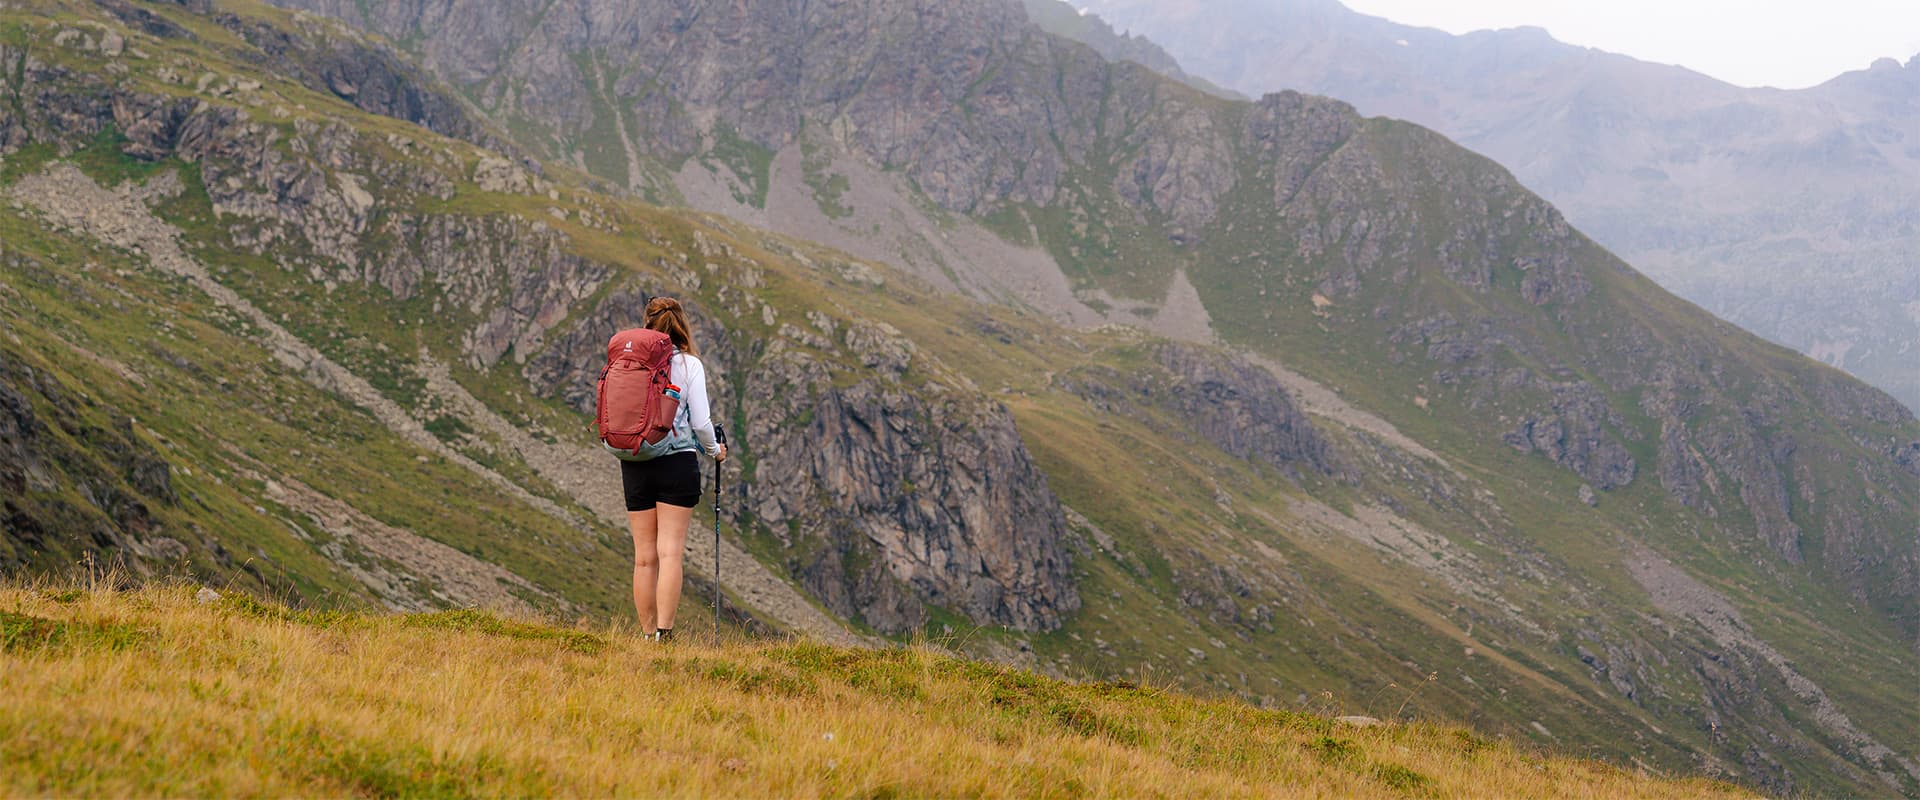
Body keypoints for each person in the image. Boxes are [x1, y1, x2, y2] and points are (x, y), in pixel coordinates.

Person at [622, 296, 726, 641]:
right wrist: (715, 451)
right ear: (682, 324)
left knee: (644, 558)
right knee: (669, 553)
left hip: (635, 461)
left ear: (648, 323)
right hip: (676, 463)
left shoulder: (633, 362)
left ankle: (645, 634)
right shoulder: (689, 365)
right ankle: (664, 635)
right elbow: (701, 422)